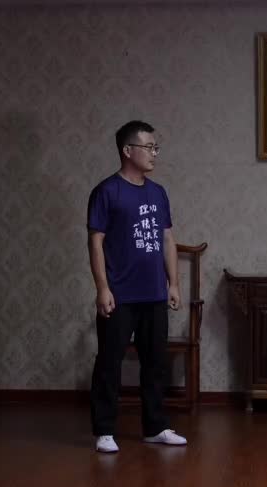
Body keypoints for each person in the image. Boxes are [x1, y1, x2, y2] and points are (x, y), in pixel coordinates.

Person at [86, 120, 187, 454]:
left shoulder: (158, 193)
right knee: (109, 362)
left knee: (155, 363)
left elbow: (167, 239)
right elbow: (96, 242)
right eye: (149, 147)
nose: (155, 153)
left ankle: (155, 427)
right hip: (120, 295)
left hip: (154, 293)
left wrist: (173, 283)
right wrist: (102, 288)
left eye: (157, 147)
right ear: (128, 150)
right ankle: (104, 430)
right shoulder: (106, 191)